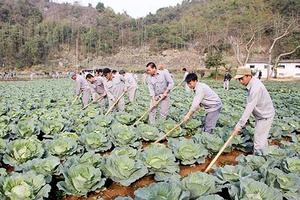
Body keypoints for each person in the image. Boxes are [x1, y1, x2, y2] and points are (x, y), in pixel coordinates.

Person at [233, 67, 275, 153]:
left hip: (265, 116)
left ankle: (258, 161)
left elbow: (249, 108)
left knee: (258, 141)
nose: (240, 81)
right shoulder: (252, 83)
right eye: (239, 79)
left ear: (249, 76)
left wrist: (239, 125)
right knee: (262, 139)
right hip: (262, 114)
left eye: (242, 78)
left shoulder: (255, 88)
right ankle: (264, 155)